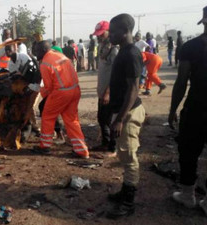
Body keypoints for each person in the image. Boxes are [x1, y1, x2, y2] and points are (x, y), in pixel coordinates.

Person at [168, 6, 207, 216]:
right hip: (197, 107)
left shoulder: (191, 47)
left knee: (189, 151)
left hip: (197, 108)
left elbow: (182, 81)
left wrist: (172, 109)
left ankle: (187, 195)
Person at [106, 13, 146, 219]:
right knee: (123, 153)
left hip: (129, 112)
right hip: (122, 110)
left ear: (125, 32)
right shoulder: (123, 51)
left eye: (113, 32)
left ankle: (128, 202)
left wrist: (120, 118)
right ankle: (124, 191)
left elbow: (133, 89)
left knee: (129, 157)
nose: (109, 35)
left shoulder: (131, 54)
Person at [31, 41, 89, 158]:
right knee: (72, 120)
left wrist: (37, 89)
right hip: (74, 89)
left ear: (43, 50)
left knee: (47, 116)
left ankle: (45, 146)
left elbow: (48, 87)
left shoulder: (45, 64)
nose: (35, 53)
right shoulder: (60, 55)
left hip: (61, 93)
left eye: (37, 51)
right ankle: (82, 150)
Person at [91, 20, 119, 156]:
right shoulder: (103, 47)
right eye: (98, 34)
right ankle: (105, 143)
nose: (99, 36)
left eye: (102, 34)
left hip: (110, 92)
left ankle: (113, 148)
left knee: (109, 120)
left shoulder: (114, 49)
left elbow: (115, 74)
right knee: (101, 118)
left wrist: (108, 92)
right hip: (102, 91)